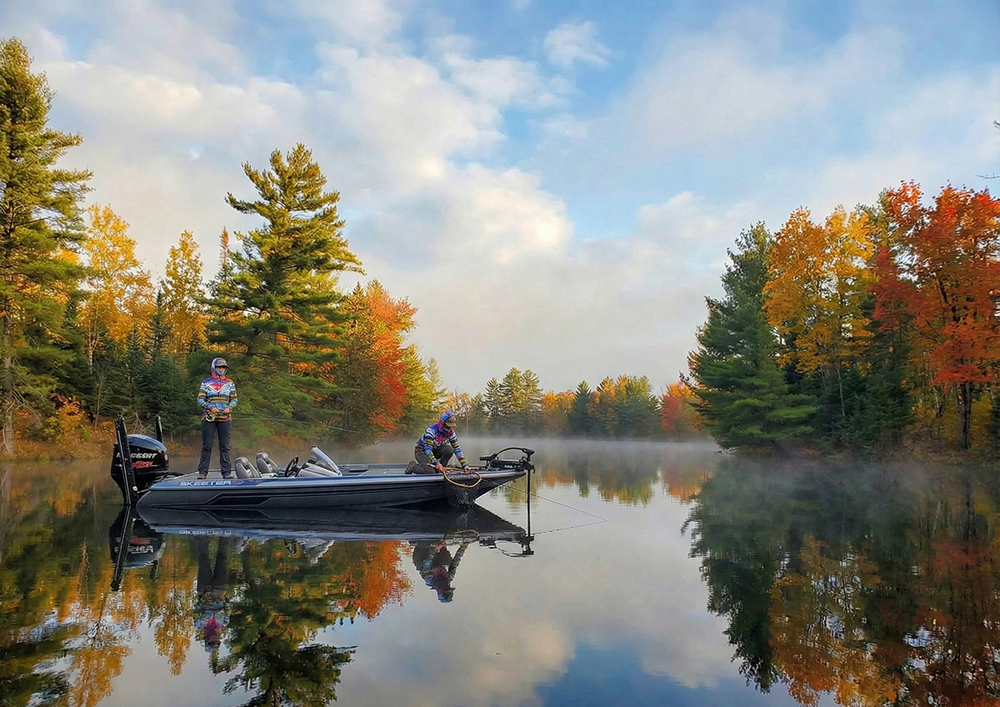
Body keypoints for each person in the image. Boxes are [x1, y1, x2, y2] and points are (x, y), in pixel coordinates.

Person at [197, 357, 238, 479]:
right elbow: (200, 400)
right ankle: (203, 472)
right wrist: (209, 407)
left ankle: (226, 472)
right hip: (209, 418)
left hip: (225, 419)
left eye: (223, 367)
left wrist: (229, 408)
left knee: (225, 446)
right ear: (214, 368)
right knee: (207, 446)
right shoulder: (206, 383)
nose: (221, 369)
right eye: (219, 367)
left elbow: (234, 399)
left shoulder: (230, 383)